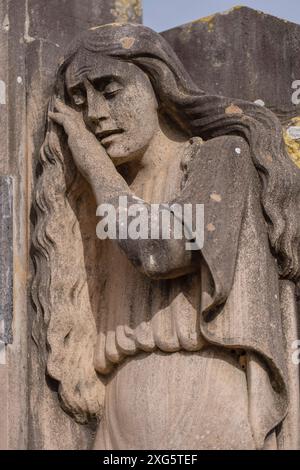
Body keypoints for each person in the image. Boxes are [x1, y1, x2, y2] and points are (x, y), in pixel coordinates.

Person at [32, 23, 300, 449]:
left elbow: (162, 252)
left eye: (110, 90)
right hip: (120, 407)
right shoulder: (105, 194)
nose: (96, 115)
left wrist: (96, 167)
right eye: (81, 101)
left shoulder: (219, 157)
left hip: (199, 393)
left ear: (158, 86)